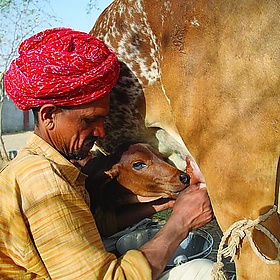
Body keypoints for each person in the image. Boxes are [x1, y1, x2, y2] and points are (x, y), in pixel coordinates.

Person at [0, 27, 213, 279]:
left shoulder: (42, 164)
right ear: (48, 116)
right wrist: (180, 223)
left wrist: (165, 204)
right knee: (202, 271)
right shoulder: (43, 180)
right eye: (90, 120)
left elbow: (94, 226)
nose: (100, 132)